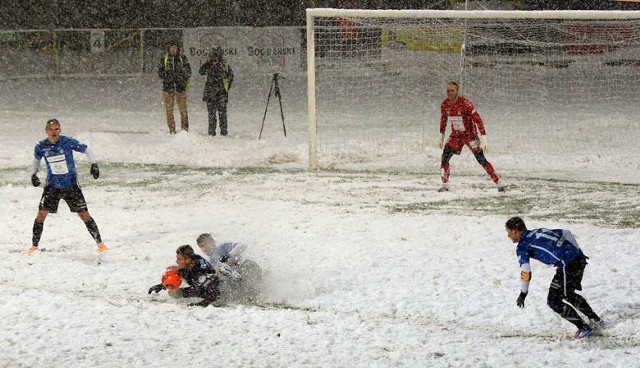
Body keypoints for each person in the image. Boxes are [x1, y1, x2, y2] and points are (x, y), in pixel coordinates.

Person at [505, 216, 604, 339]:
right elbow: (566, 233)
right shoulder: (538, 231)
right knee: (569, 294)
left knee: (554, 301)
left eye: (508, 232)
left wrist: (523, 293)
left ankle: (583, 327)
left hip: (567, 265)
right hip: (579, 259)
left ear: (515, 231)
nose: (508, 236)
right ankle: (596, 319)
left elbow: (526, 271)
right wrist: (578, 252)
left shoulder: (522, 246)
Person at [28, 118, 107, 254]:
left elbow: (87, 150)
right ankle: (34, 246)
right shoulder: (41, 146)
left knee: (84, 215)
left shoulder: (67, 142)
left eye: (56, 129)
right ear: (46, 131)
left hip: (71, 186)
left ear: (60, 130)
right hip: (52, 187)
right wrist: (33, 174)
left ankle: (100, 243)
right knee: (41, 215)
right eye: (51, 129)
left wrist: (94, 164)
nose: (54, 132)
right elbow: (36, 160)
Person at [438, 81, 504, 192]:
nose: (449, 93)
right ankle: (445, 185)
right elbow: (443, 120)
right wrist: (441, 135)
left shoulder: (465, 104)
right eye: (448, 91)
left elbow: (478, 120)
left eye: (452, 90)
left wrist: (484, 139)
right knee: (445, 157)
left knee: (481, 159)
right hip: (456, 136)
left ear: (457, 91)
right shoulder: (445, 104)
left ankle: (498, 183)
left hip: (470, 135)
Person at [148, 244, 221, 307]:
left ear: (188, 260)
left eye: (179, 259)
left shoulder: (199, 273)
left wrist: (200, 304)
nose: (176, 261)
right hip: (200, 283)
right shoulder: (193, 258)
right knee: (172, 272)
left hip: (208, 289)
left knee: (174, 292)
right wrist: (162, 285)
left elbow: (215, 293)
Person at [199, 47, 234, 136]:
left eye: (216, 56)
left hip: (221, 93)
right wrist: (207, 63)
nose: (214, 59)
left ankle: (223, 132)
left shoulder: (224, 65)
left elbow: (230, 76)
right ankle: (211, 132)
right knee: (212, 114)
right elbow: (201, 71)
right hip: (210, 93)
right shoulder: (208, 65)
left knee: (222, 114)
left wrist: (226, 88)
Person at [158, 42, 191, 134]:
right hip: (168, 89)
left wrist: (180, 77)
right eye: (171, 48)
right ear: (168, 49)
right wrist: (168, 76)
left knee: (183, 110)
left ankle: (185, 129)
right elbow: (160, 73)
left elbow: (188, 72)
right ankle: (172, 129)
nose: (173, 49)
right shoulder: (164, 59)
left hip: (180, 88)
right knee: (169, 110)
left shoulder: (182, 58)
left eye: (175, 48)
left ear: (178, 49)